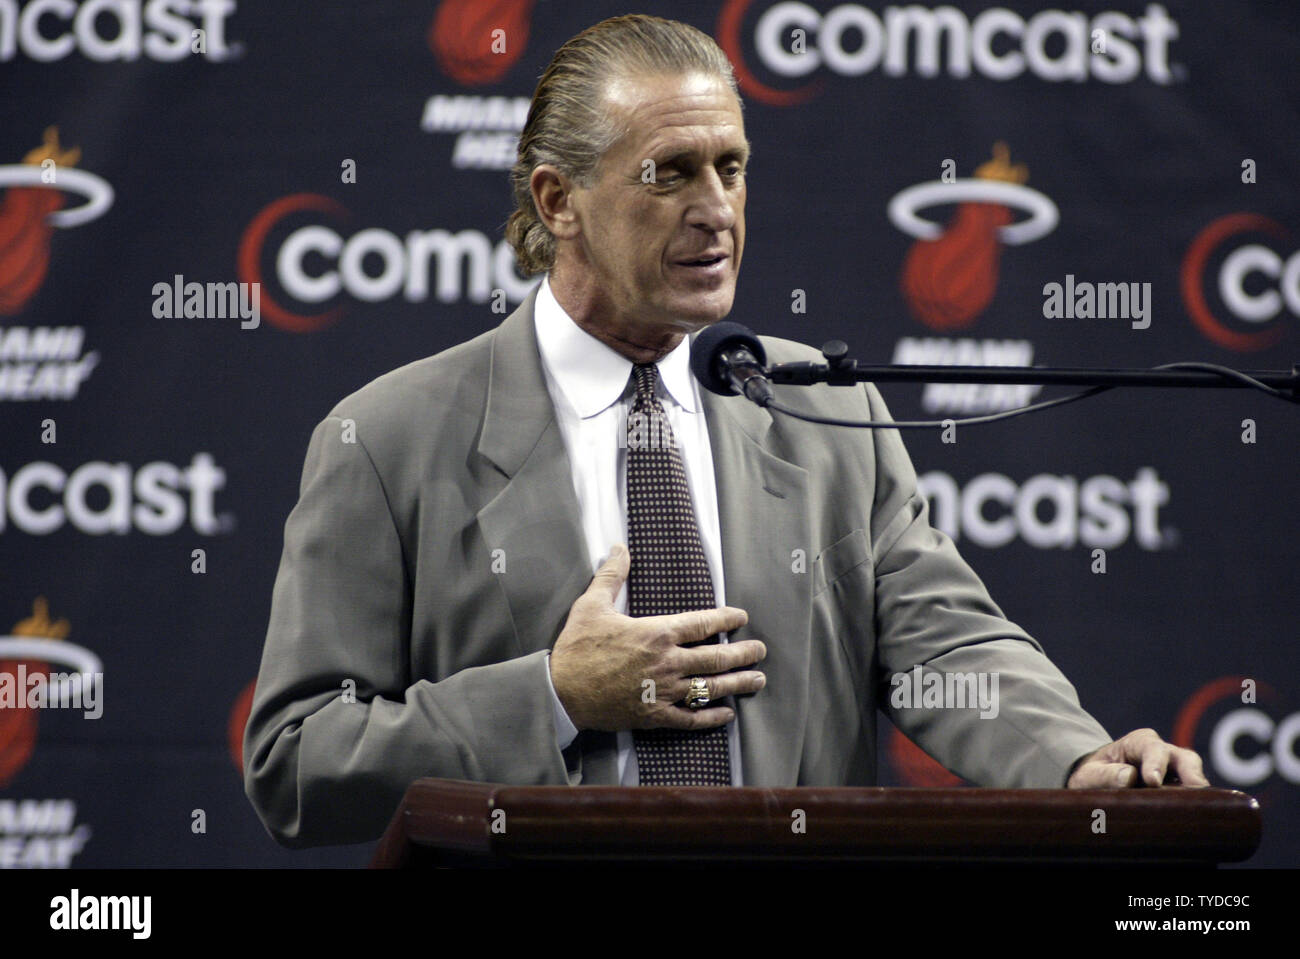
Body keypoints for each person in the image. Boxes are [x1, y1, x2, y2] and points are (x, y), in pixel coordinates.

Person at [243, 14, 1206, 848]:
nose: (715, 211)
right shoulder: (386, 439)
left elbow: (944, 647)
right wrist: (553, 694)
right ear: (556, 201)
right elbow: (296, 762)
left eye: (731, 168)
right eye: (669, 173)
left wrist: (1074, 760)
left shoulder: (824, 411)